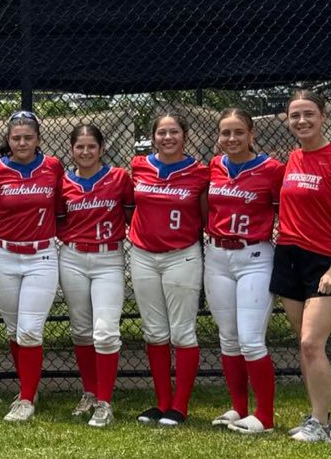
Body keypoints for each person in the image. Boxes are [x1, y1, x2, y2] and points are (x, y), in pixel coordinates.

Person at [275, 90, 331, 442]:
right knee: (306, 345)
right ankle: (318, 416)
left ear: (323, 116)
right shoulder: (292, 158)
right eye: (295, 115)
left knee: (312, 342)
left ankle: (321, 423)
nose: (302, 121)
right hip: (290, 255)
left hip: (326, 260)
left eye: (308, 114)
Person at [0, 111, 62, 422]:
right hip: (4, 255)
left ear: (38, 139)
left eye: (28, 137)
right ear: (8, 140)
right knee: (14, 330)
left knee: (29, 330)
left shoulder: (52, 166)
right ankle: (30, 386)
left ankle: (25, 399)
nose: (22, 142)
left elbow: (61, 208)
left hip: (41, 255)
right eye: (16, 138)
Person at [202, 108, 283, 435]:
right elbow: (207, 206)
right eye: (225, 133)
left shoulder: (272, 169)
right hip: (218, 255)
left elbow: (284, 209)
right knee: (229, 339)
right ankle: (238, 408)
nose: (231, 139)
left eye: (238, 132)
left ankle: (265, 415)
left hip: (254, 255)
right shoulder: (215, 166)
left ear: (251, 134)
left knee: (251, 340)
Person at [128, 113, 209, 427]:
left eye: (173, 131)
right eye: (161, 132)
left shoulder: (199, 172)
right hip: (144, 254)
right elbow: (131, 207)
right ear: (153, 137)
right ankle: (161, 402)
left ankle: (180, 405)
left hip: (182, 255)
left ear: (184, 135)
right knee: (155, 332)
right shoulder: (139, 165)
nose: (167, 138)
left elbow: (204, 214)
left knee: (183, 331)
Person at [56, 125, 134, 428]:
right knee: (81, 330)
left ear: (101, 148)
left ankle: (105, 401)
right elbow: (59, 219)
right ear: (72, 149)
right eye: (80, 147)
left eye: (91, 146)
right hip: (73, 256)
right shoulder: (64, 183)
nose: (86, 152)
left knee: (105, 332)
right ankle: (89, 392)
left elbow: (130, 215)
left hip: (108, 257)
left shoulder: (118, 178)